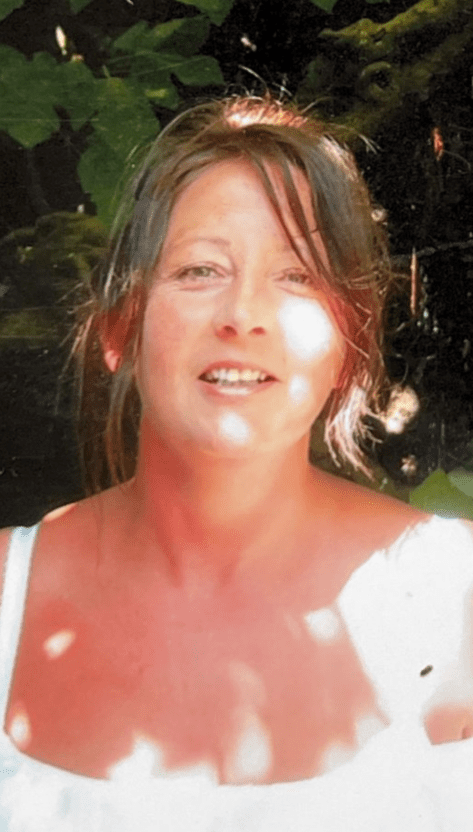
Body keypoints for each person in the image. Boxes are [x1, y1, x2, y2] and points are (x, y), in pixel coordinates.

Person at [0, 94, 472, 831]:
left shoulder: (457, 603)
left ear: (350, 343)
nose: (244, 314)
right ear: (121, 326)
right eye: (200, 270)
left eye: (297, 276)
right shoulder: (7, 595)